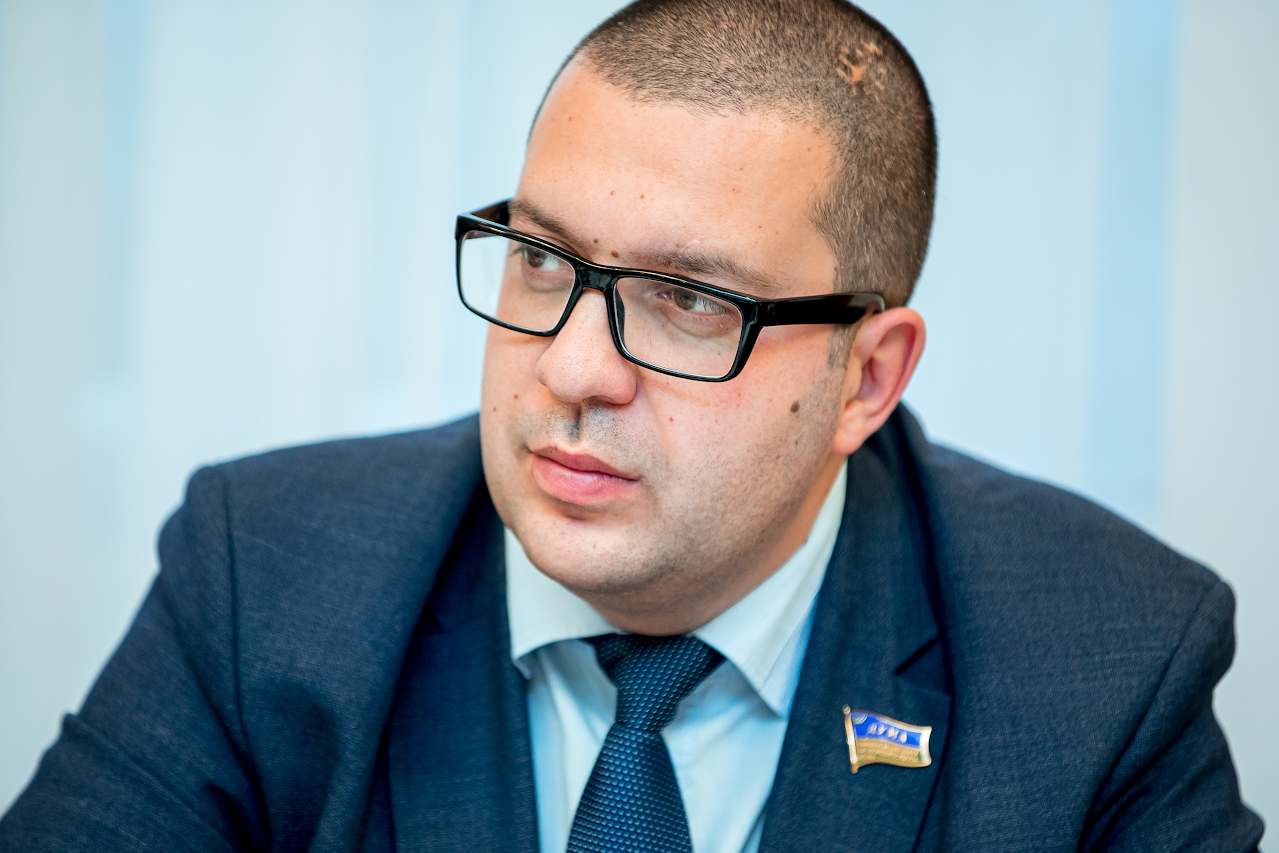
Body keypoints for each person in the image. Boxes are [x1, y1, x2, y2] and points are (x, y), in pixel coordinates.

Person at [0, 0, 1264, 851]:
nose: (572, 368)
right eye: (541, 260)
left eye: (689, 301)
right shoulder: (266, 573)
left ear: (866, 381)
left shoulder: (1101, 661)